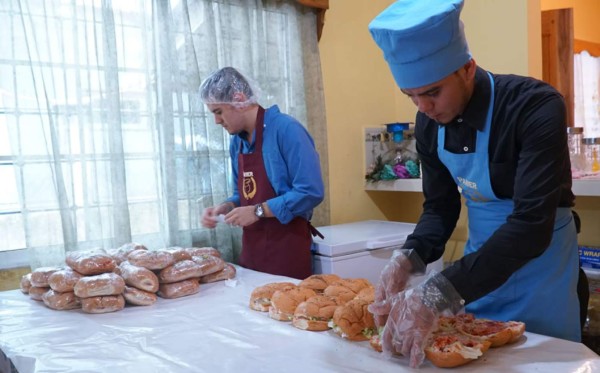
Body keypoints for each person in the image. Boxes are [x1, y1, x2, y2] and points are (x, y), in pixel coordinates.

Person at [367, 0, 582, 368]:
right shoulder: (428, 124)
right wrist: (410, 255)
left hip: (542, 275)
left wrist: (440, 290)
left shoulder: (535, 107)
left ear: (467, 68)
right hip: (480, 274)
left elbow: (531, 224)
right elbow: (440, 206)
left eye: (432, 92)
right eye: (411, 96)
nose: (424, 108)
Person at [199, 67, 324, 280]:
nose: (216, 121)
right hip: (252, 252)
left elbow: (310, 191)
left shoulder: (287, 130)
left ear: (239, 100)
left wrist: (257, 211)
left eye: (218, 112)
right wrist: (228, 206)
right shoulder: (237, 143)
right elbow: (244, 194)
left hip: (286, 251)